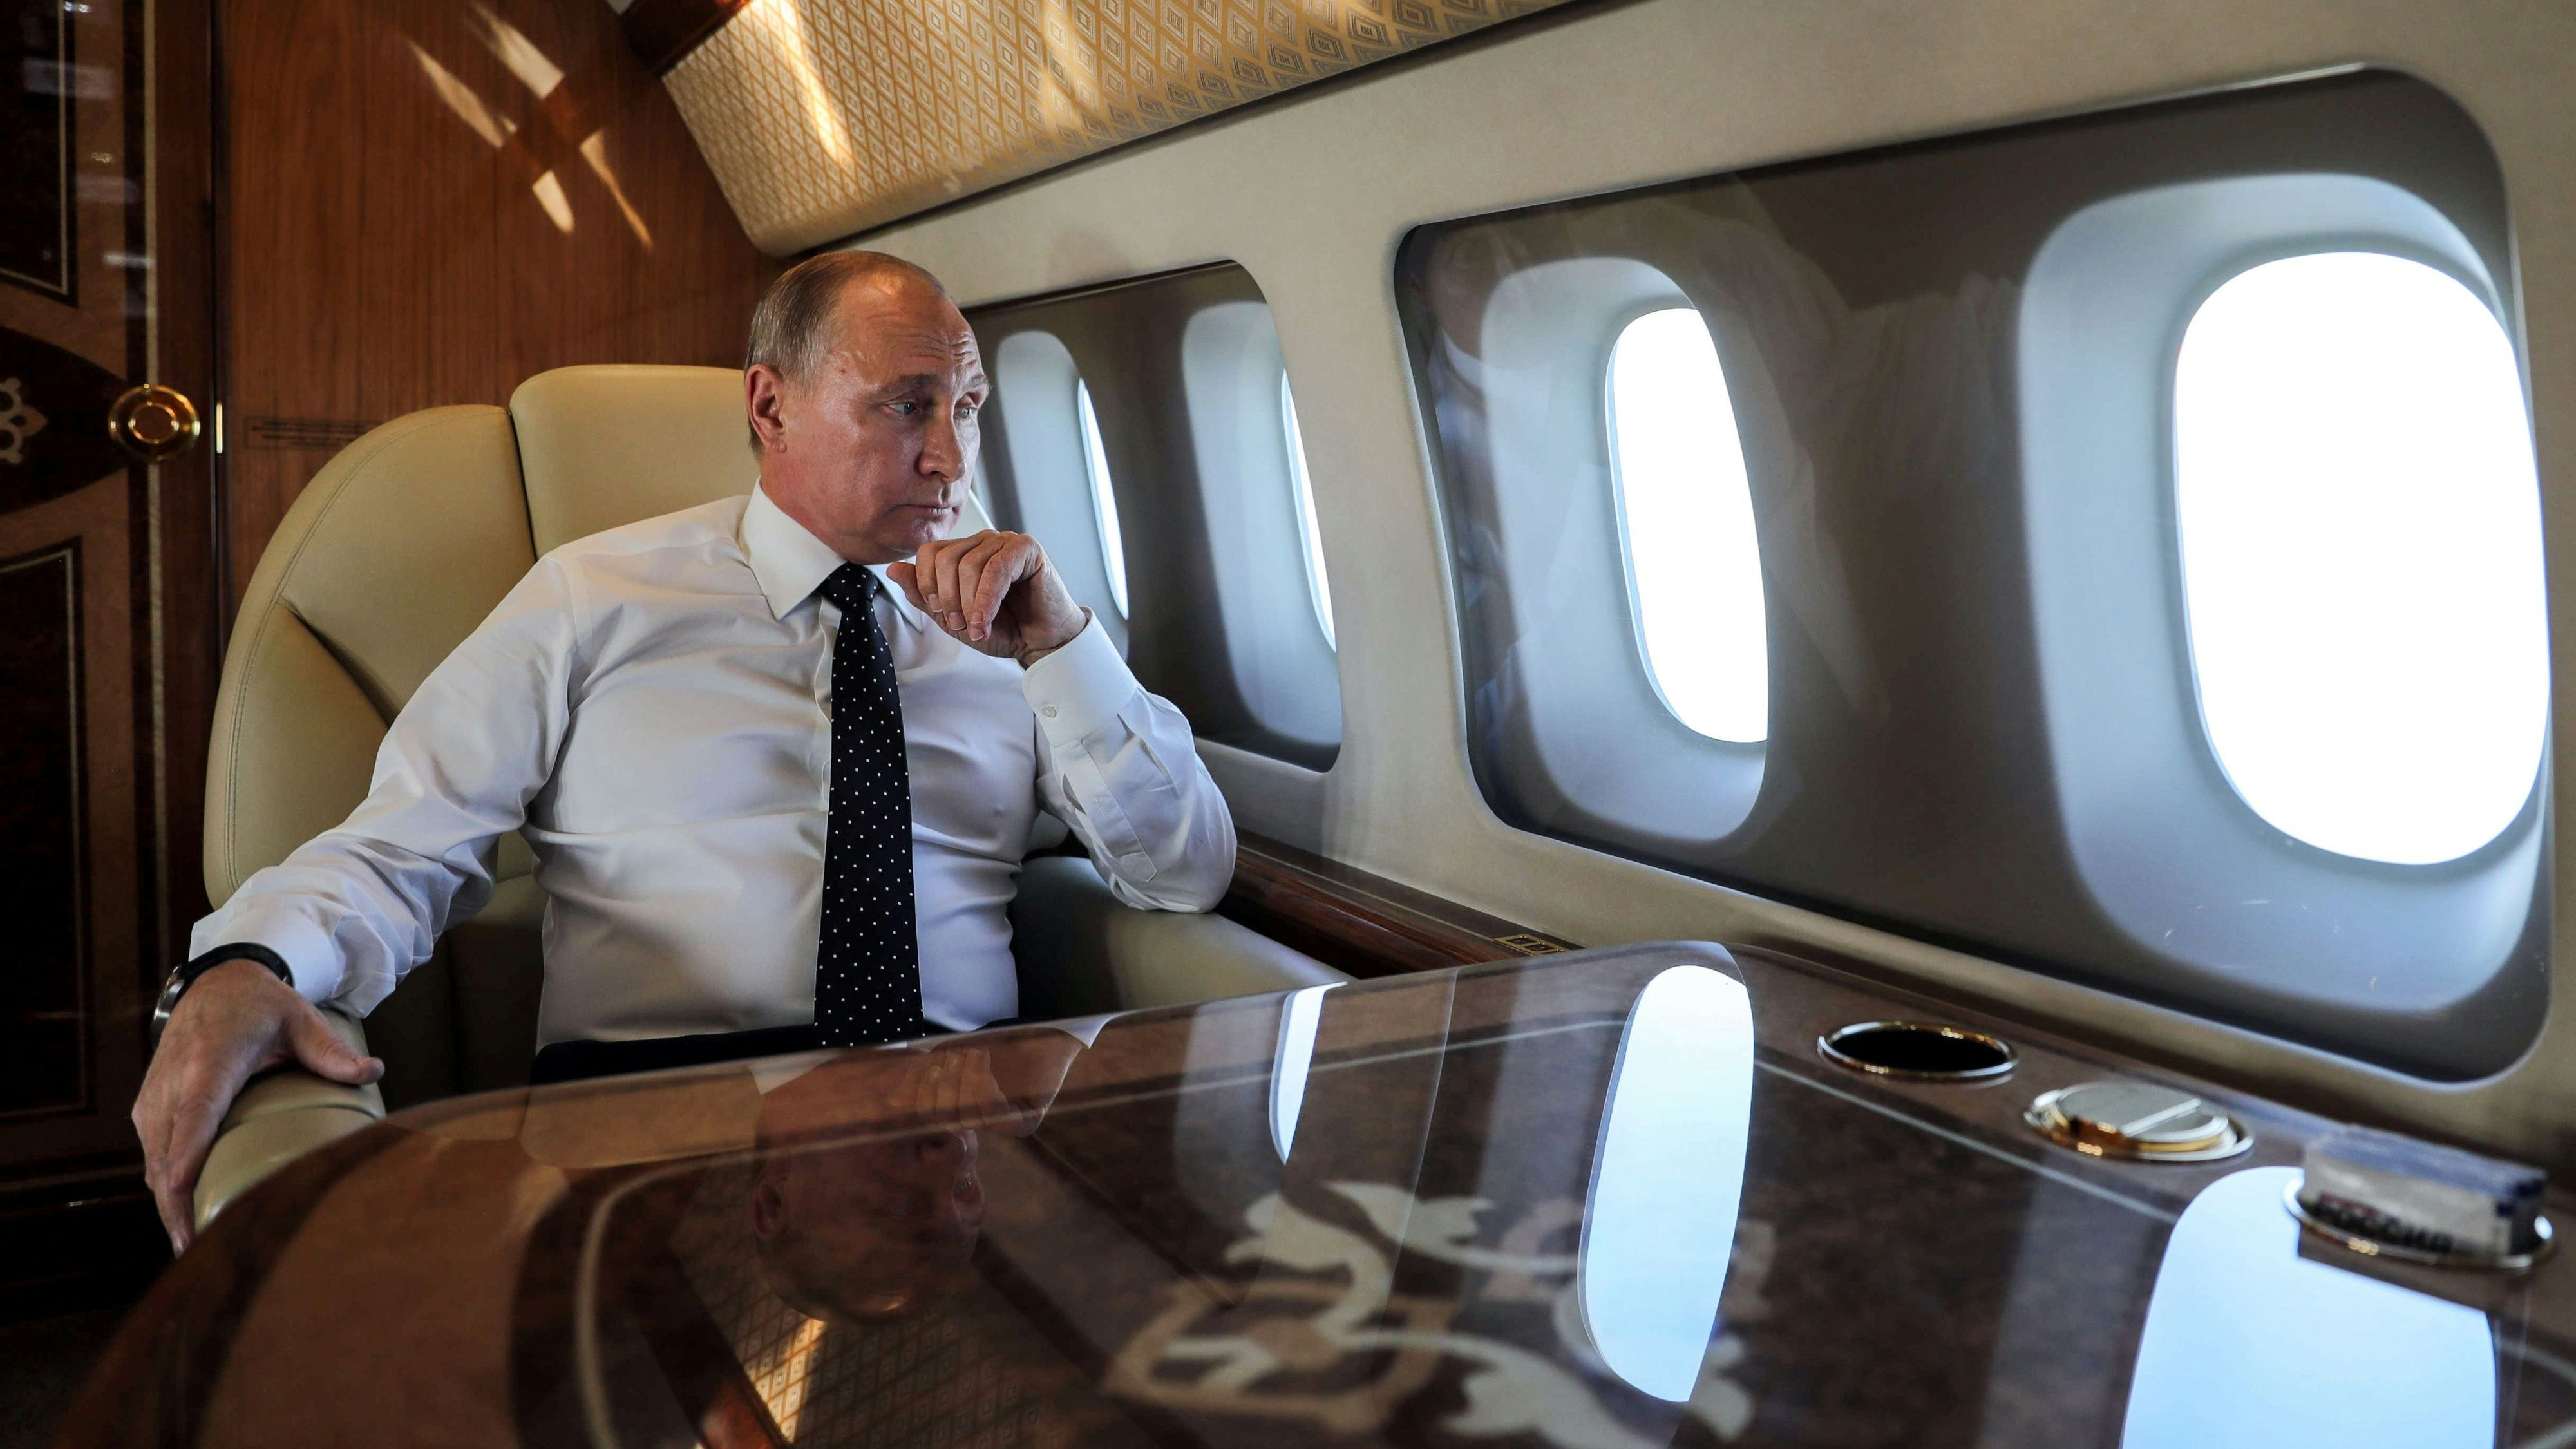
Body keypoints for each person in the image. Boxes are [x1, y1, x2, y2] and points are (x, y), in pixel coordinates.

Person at [132, 251, 1236, 1251]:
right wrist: (247, 962)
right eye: (908, 406)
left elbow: (1182, 871)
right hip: (645, 1133)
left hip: (950, 1128)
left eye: (970, 406)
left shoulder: (1013, 619)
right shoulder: (593, 597)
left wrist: (1063, 647)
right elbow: (407, 845)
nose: (951, 455)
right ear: (772, 405)